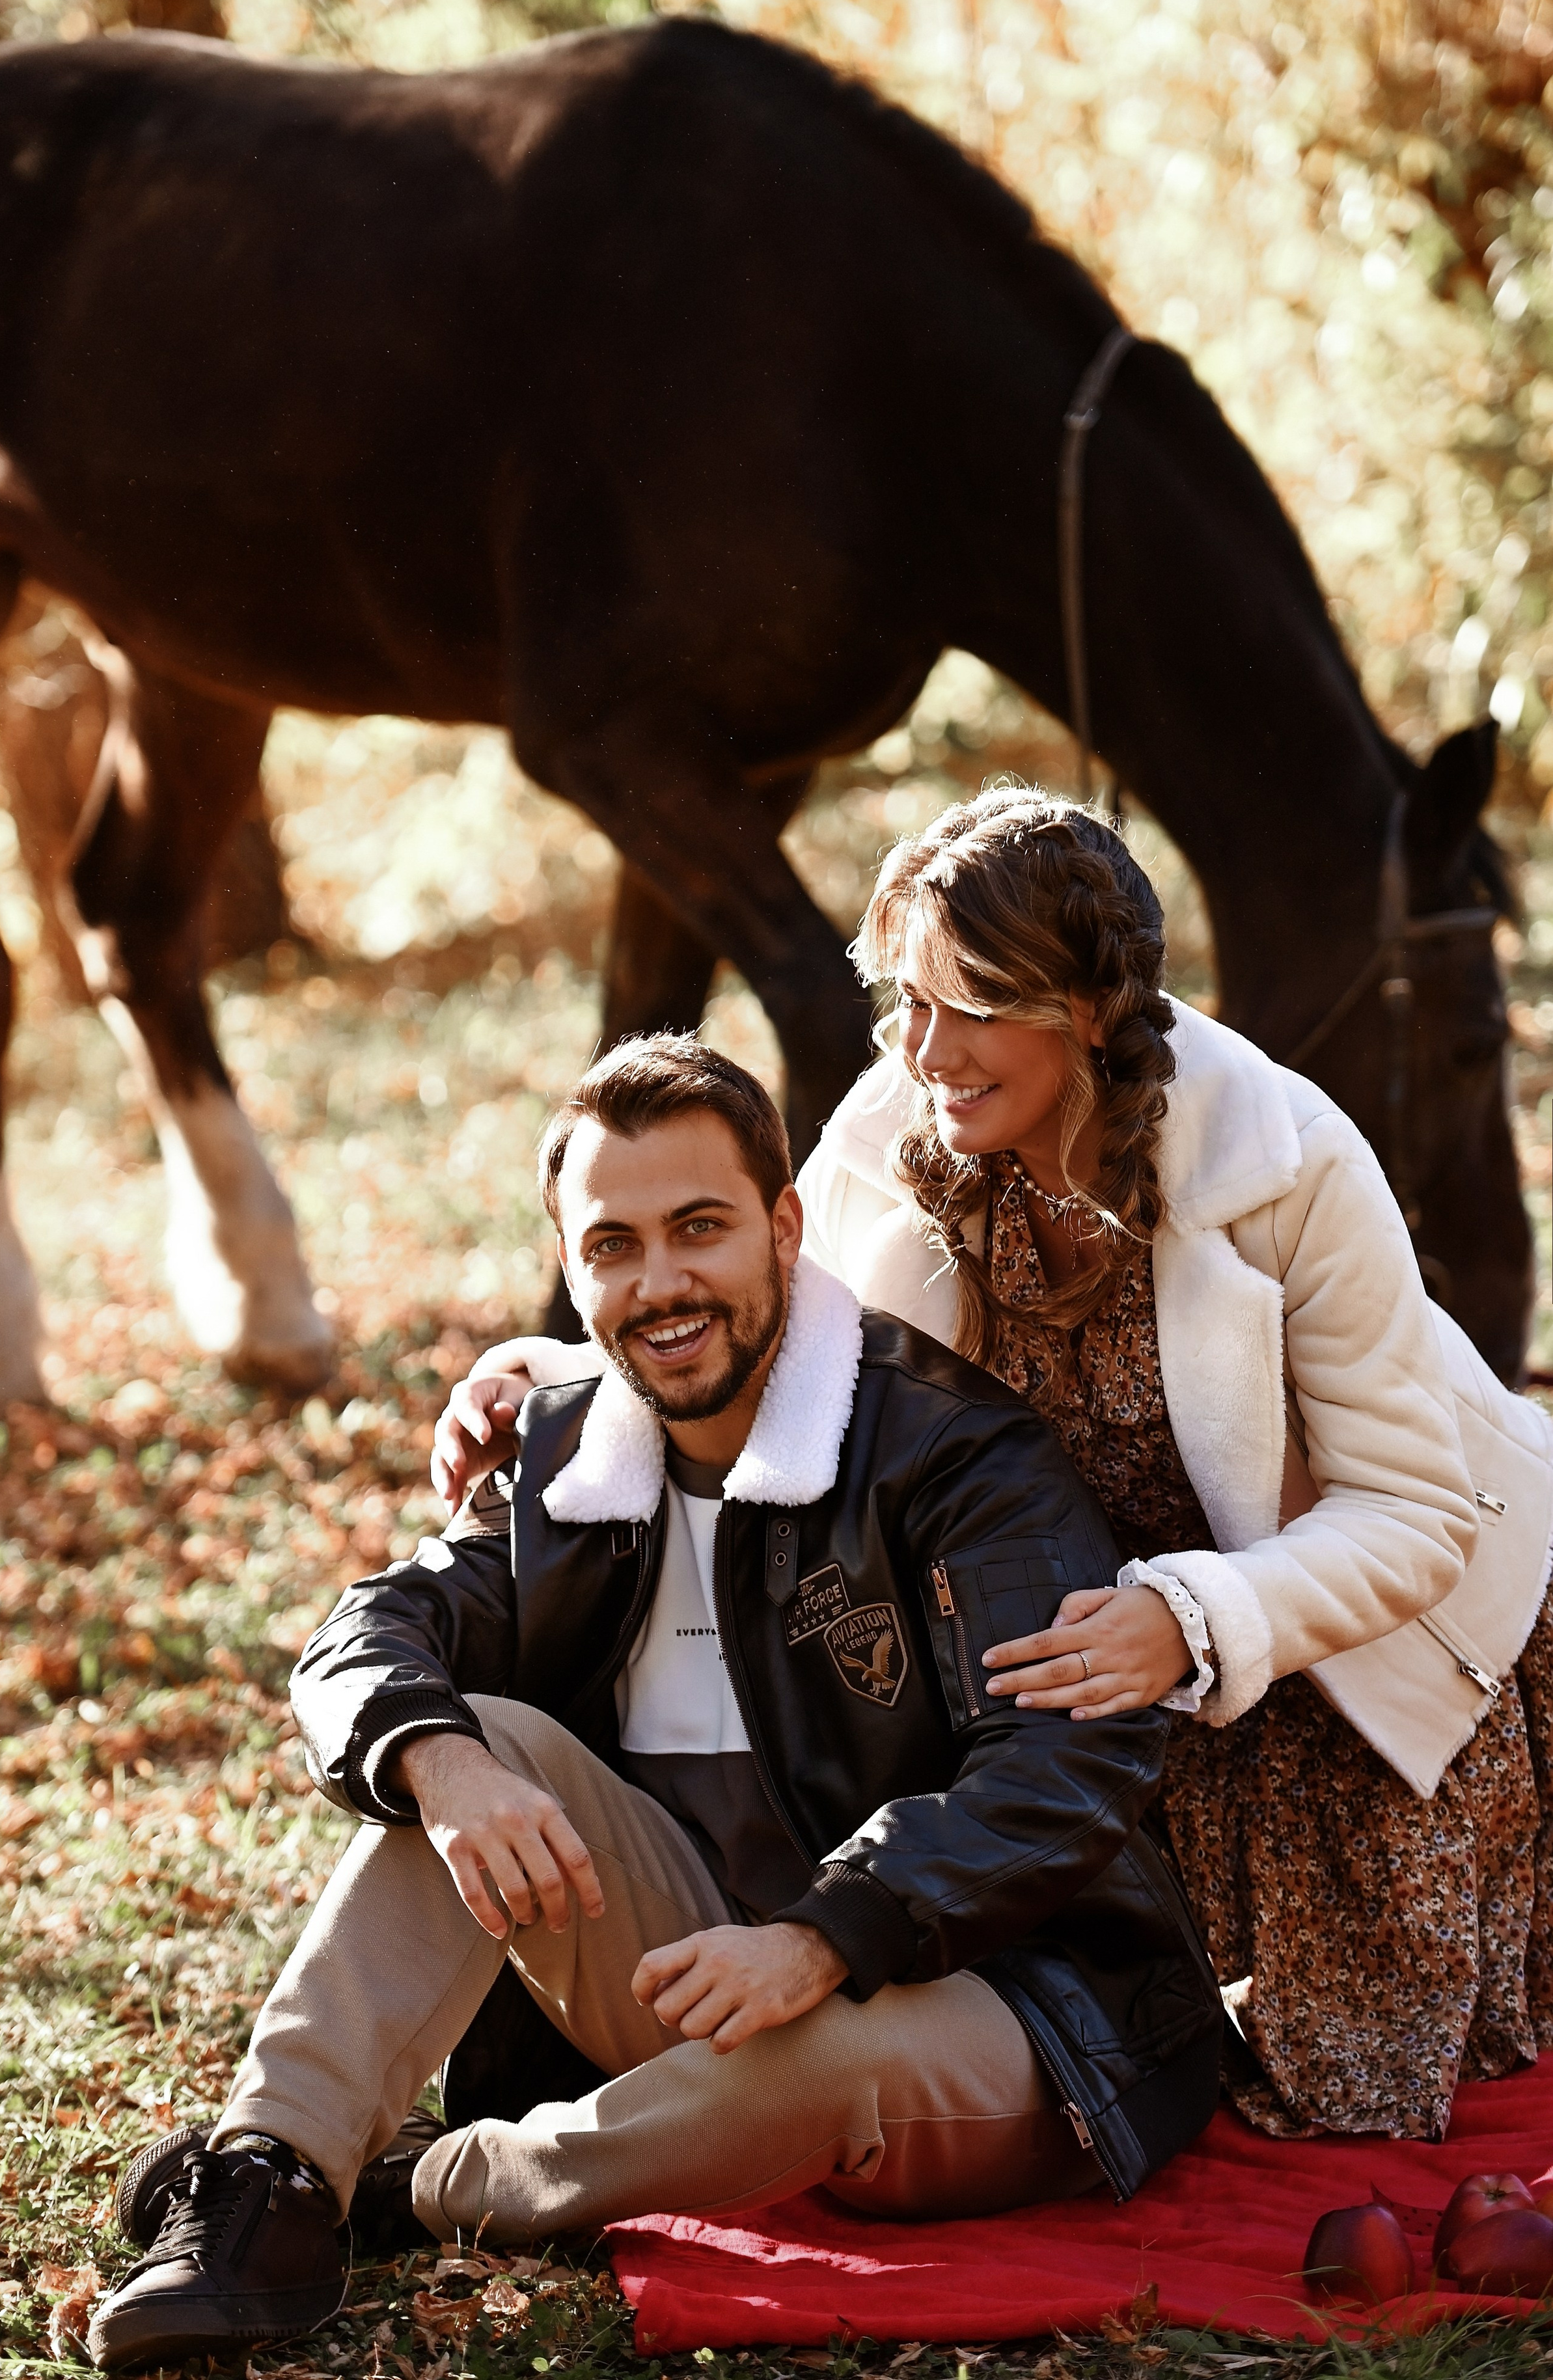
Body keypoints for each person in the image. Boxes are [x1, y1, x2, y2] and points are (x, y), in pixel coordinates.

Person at [88, 1033, 1222, 2374]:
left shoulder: (953, 1457)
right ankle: (270, 2184)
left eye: (699, 1229)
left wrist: (822, 1936)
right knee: (464, 1741)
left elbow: (1060, 1766)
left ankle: (424, 2189)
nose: (658, 1283)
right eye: (611, 1247)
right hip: (698, 1974)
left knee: (820, 2058)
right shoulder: (572, 1460)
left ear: (782, 1227)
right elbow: (370, 1631)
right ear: (571, 1271)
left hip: (1004, 2012)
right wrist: (447, 1772)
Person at [443, 789, 1553, 2150]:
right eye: (903, 1003)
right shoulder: (908, 1123)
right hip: (1084, 1649)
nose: (923, 1049)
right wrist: (554, 1376)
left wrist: (1194, 1618)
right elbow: (778, 1331)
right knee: (1110, 2033)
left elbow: (1413, 1512)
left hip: (1343, 1626)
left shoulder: (1292, 1165)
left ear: (1084, 1009)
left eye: (968, 1007)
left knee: (1328, 2109)